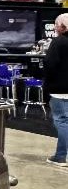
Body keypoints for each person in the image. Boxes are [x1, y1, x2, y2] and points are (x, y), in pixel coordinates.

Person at [43, 13, 68, 168]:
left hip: (60, 89)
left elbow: (50, 64)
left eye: (56, 25)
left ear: (62, 27)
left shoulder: (58, 42)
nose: (55, 28)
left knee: (62, 121)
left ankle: (60, 156)